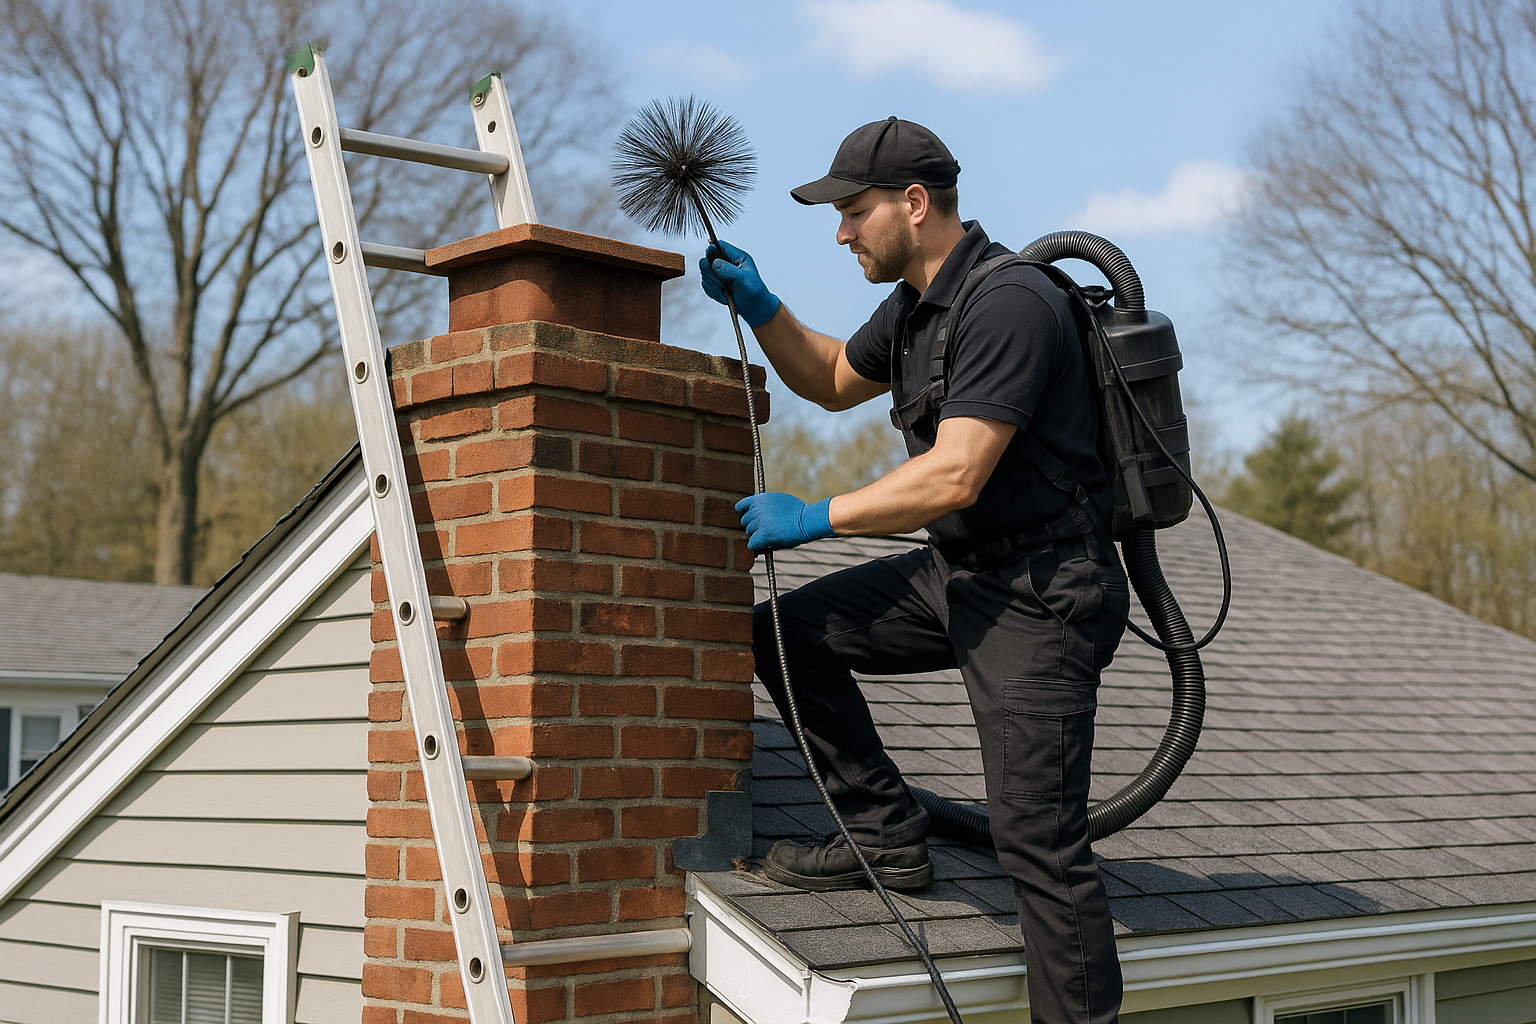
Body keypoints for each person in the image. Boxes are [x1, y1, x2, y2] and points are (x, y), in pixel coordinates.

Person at [699, 117, 1128, 1024]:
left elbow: (957, 471)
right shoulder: (916, 309)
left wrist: (815, 516)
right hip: (962, 575)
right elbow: (827, 377)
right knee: (784, 631)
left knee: (1038, 845)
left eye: (854, 212)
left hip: (1042, 594)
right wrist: (761, 307)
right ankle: (884, 835)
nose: (843, 232)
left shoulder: (1012, 302)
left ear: (915, 203)